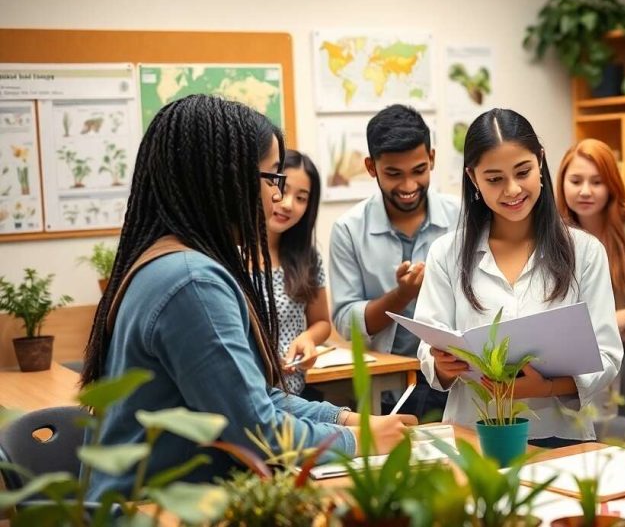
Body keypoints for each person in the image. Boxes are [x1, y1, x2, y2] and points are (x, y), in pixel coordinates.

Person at [80, 95, 410, 499]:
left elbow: (255, 399)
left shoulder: (168, 260)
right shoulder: (192, 283)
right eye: (272, 178)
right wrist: (359, 442)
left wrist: (344, 419)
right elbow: (259, 433)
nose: (278, 196)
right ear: (226, 179)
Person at [416, 108, 622, 447]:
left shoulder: (585, 251)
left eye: (522, 172)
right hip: (473, 435)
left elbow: (607, 355)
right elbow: (429, 347)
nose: (512, 190)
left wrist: (548, 388)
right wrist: (442, 364)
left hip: (560, 438)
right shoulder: (446, 253)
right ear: (473, 178)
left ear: (540, 161)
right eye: (494, 179)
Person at [330, 104, 459, 419]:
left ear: (432, 158)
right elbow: (347, 323)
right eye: (393, 174)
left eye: (419, 171)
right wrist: (401, 296)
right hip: (390, 391)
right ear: (371, 167)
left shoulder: (463, 218)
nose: (408, 187)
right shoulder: (348, 229)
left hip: (458, 383)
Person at [556, 138, 625, 349]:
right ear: (562, 183)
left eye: (597, 182)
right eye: (576, 181)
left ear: (612, 185)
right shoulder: (555, 240)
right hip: (577, 355)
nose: (586, 191)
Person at [265, 149, 331, 396]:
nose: (288, 204)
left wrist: (308, 339)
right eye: (282, 188)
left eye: (301, 198)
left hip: (293, 396)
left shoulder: (307, 257)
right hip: (249, 396)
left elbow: (322, 322)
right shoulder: (230, 254)